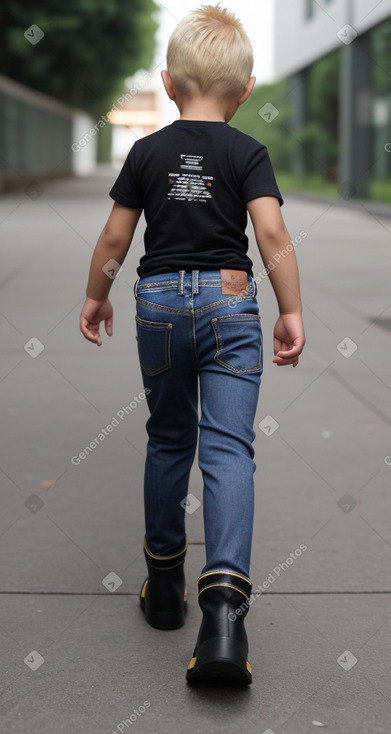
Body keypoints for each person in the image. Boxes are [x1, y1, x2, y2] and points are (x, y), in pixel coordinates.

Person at [80, 4, 305, 686]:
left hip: (156, 306)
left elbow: (117, 239)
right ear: (244, 90)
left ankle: (163, 587)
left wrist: (96, 294)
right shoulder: (246, 152)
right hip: (232, 303)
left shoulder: (147, 151)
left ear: (169, 83)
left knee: (168, 438)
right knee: (228, 449)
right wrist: (290, 307)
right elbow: (270, 236)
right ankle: (224, 622)